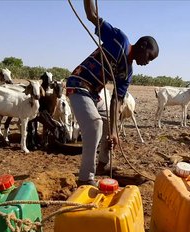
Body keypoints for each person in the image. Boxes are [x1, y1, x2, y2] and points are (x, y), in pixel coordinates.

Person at [66, 0, 159, 187]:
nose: (147, 63)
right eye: (149, 57)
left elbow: (116, 100)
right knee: (94, 124)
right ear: (142, 46)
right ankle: (86, 178)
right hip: (78, 85)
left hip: (93, 94)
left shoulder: (127, 73)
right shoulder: (119, 40)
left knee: (109, 123)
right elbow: (91, 15)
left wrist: (115, 132)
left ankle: (102, 163)